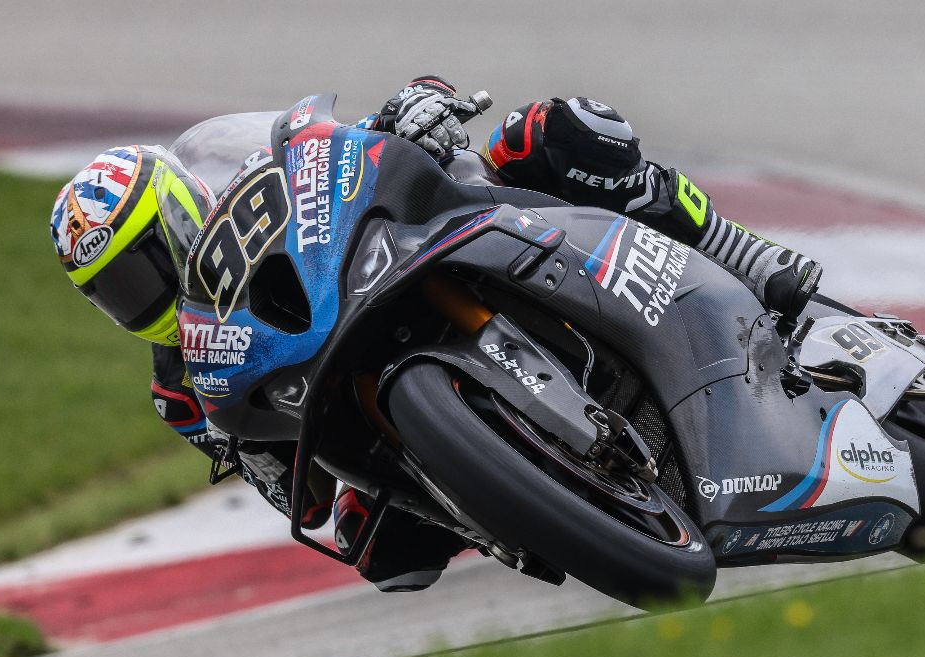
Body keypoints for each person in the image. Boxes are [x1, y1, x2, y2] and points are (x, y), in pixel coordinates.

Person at [47, 76, 822, 592]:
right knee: (380, 554)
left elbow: (336, 149)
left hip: (417, 241)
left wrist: (411, 105)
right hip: (366, 418)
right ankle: (534, 491)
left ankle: (741, 252)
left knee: (555, 130)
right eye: (118, 291)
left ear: (178, 212)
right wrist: (252, 451)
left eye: (146, 263)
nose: (141, 294)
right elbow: (303, 500)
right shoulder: (178, 387)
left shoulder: (248, 183)